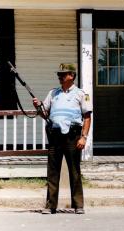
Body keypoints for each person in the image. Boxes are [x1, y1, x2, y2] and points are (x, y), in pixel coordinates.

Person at [33, 63, 92, 215]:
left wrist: (84, 137)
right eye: (59, 74)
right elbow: (45, 114)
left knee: (74, 171)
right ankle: (50, 205)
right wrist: (38, 107)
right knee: (52, 171)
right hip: (55, 136)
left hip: (73, 136)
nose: (60, 77)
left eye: (63, 74)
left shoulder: (81, 94)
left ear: (72, 76)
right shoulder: (53, 93)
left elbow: (87, 117)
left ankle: (78, 205)